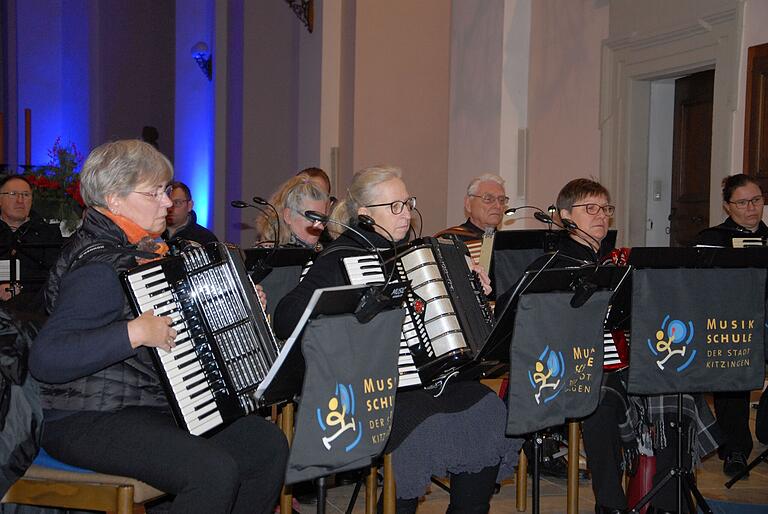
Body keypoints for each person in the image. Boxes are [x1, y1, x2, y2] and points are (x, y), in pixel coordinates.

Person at [28, 140, 288, 514]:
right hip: (82, 418)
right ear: (114, 199)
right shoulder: (97, 269)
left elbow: (183, 323)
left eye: (166, 191)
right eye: (154, 193)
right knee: (211, 472)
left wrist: (239, 303)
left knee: (264, 445)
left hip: (144, 406)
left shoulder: (147, 251)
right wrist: (134, 333)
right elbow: (47, 358)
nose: (167, 202)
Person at [274, 165, 520, 514]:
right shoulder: (341, 257)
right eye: (394, 207)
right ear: (364, 215)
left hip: (422, 380)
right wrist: (351, 306)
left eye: (407, 203)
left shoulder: (415, 255)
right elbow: (287, 317)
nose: (405, 214)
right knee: (424, 430)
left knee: (487, 407)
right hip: (369, 388)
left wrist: (472, 287)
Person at [538, 178, 718, 514]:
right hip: (573, 369)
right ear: (565, 216)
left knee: (677, 387)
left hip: (626, 361)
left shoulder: (621, 261)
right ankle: (610, 503)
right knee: (600, 401)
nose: (602, 216)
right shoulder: (552, 264)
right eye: (590, 208)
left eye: (606, 209)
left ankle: (668, 501)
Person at [696, 174, 767, 477]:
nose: (752, 208)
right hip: (729, 323)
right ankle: (735, 448)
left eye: (757, 200)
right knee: (732, 371)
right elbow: (699, 285)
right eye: (743, 202)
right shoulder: (711, 239)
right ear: (727, 206)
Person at [0, 175, 62, 302]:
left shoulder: (48, 234)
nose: (20, 200)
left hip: (34, 307)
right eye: (13, 194)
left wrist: (20, 288)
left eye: (26, 195)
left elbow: (56, 276)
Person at [436, 173, 508, 264]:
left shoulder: (509, 243)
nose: (498, 206)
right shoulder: (449, 240)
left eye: (501, 200)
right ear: (468, 204)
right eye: (488, 199)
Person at [255, 175, 330, 249]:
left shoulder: (325, 251)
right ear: (288, 216)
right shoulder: (267, 255)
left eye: (322, 220)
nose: (321, 227)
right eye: (313, 219)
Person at [162, 180, 218, 245]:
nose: (170, 208)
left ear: (189, 205)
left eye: (177, 202)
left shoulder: (206, 239)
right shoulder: (152, 234)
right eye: (166, 202)